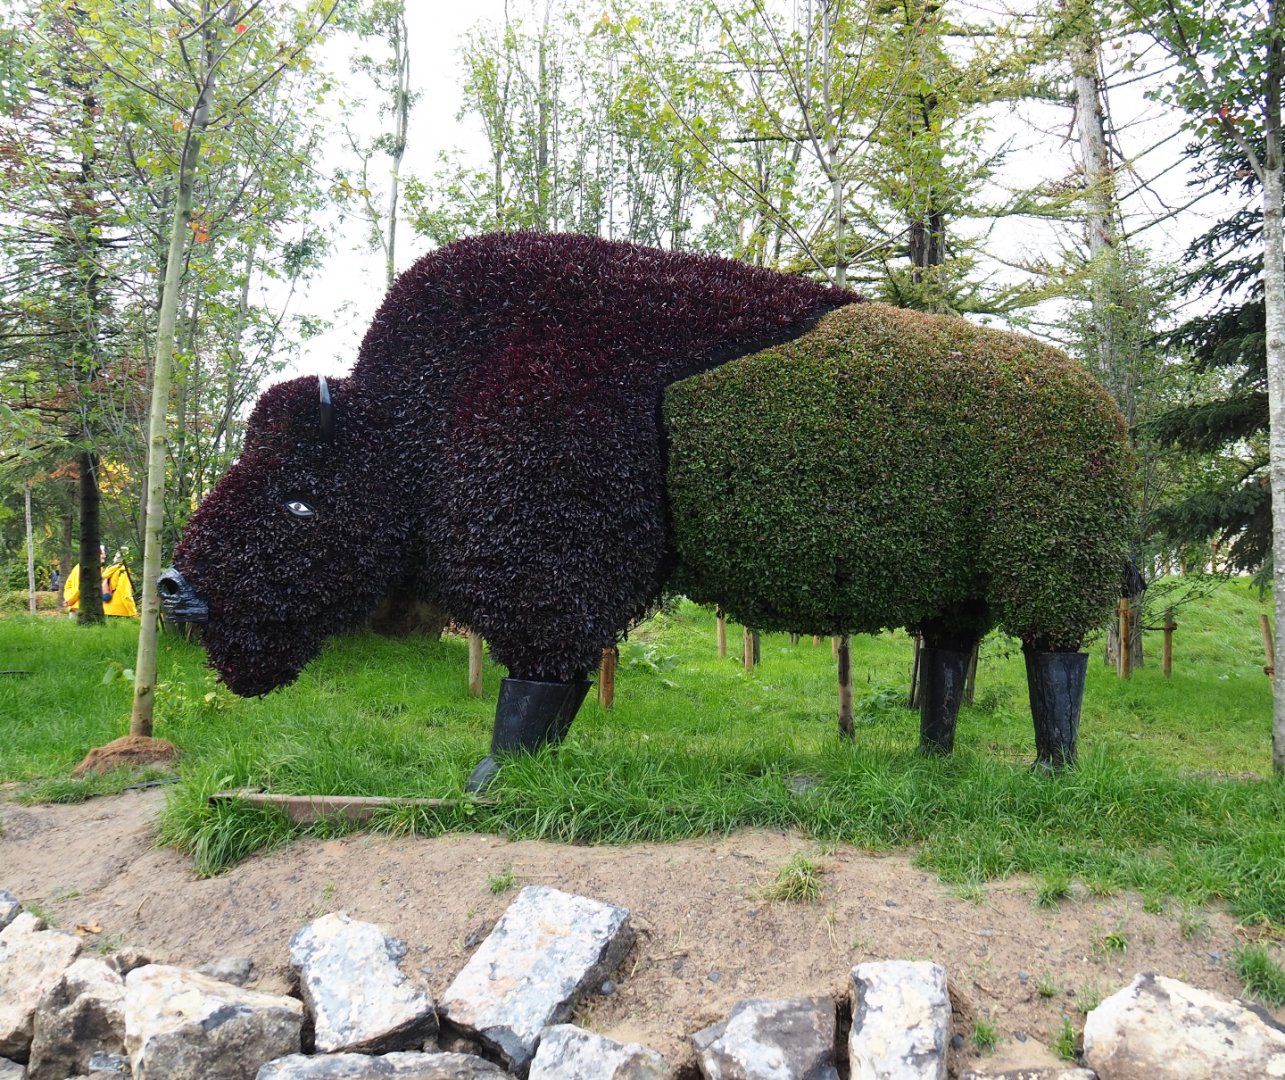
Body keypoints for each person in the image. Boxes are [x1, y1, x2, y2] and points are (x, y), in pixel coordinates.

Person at [64, 546, 137, 617]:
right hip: (87, 608)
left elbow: (68, 586)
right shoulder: (93, 569)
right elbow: (84, 587)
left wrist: (68, 599)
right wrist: (71, 600)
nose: (104, 556)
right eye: (102, 553)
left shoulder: (79, 567)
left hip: (78, 607)